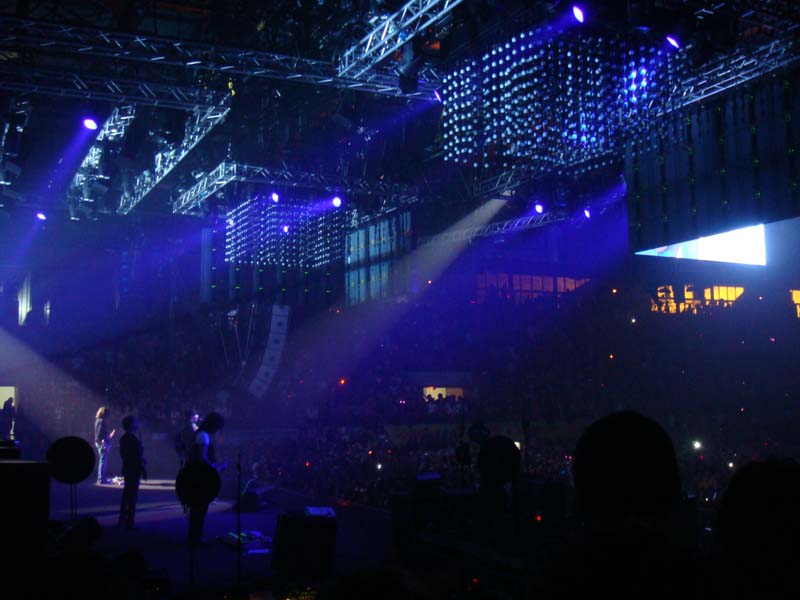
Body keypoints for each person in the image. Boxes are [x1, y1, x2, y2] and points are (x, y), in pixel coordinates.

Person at [185, 411, 225, 547]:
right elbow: (202, 458)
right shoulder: (203, 435)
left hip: (197, 474)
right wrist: (215, 467)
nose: (218, 430)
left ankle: (194, 537)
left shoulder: (201, 433)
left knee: (198, 507)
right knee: (200, 507)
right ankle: (196, 538)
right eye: (218, 427)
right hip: (200, 476)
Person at [118, 416, 147, 530]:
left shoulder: (125, 438)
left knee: (127, 494)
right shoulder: (132, 439)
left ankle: (124, 519)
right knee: (132, 495)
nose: (137, 424)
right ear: (131, 425)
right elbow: (136, 455)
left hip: (128, 468)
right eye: (135, 423)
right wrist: (142, 467)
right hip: (133, 468)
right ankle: (129, 521)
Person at [94, 406, 116, 484]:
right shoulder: (101, 421)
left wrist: (110, 435)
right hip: (101, 443)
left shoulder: (97, 421)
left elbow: (100, 434)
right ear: (104, 413)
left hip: (99, 442)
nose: (108, 416)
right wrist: (104, 442)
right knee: (103, 461)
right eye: (107, 414)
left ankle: (101, 478)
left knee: (102, 461)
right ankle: (101, 479)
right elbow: (100, 434)